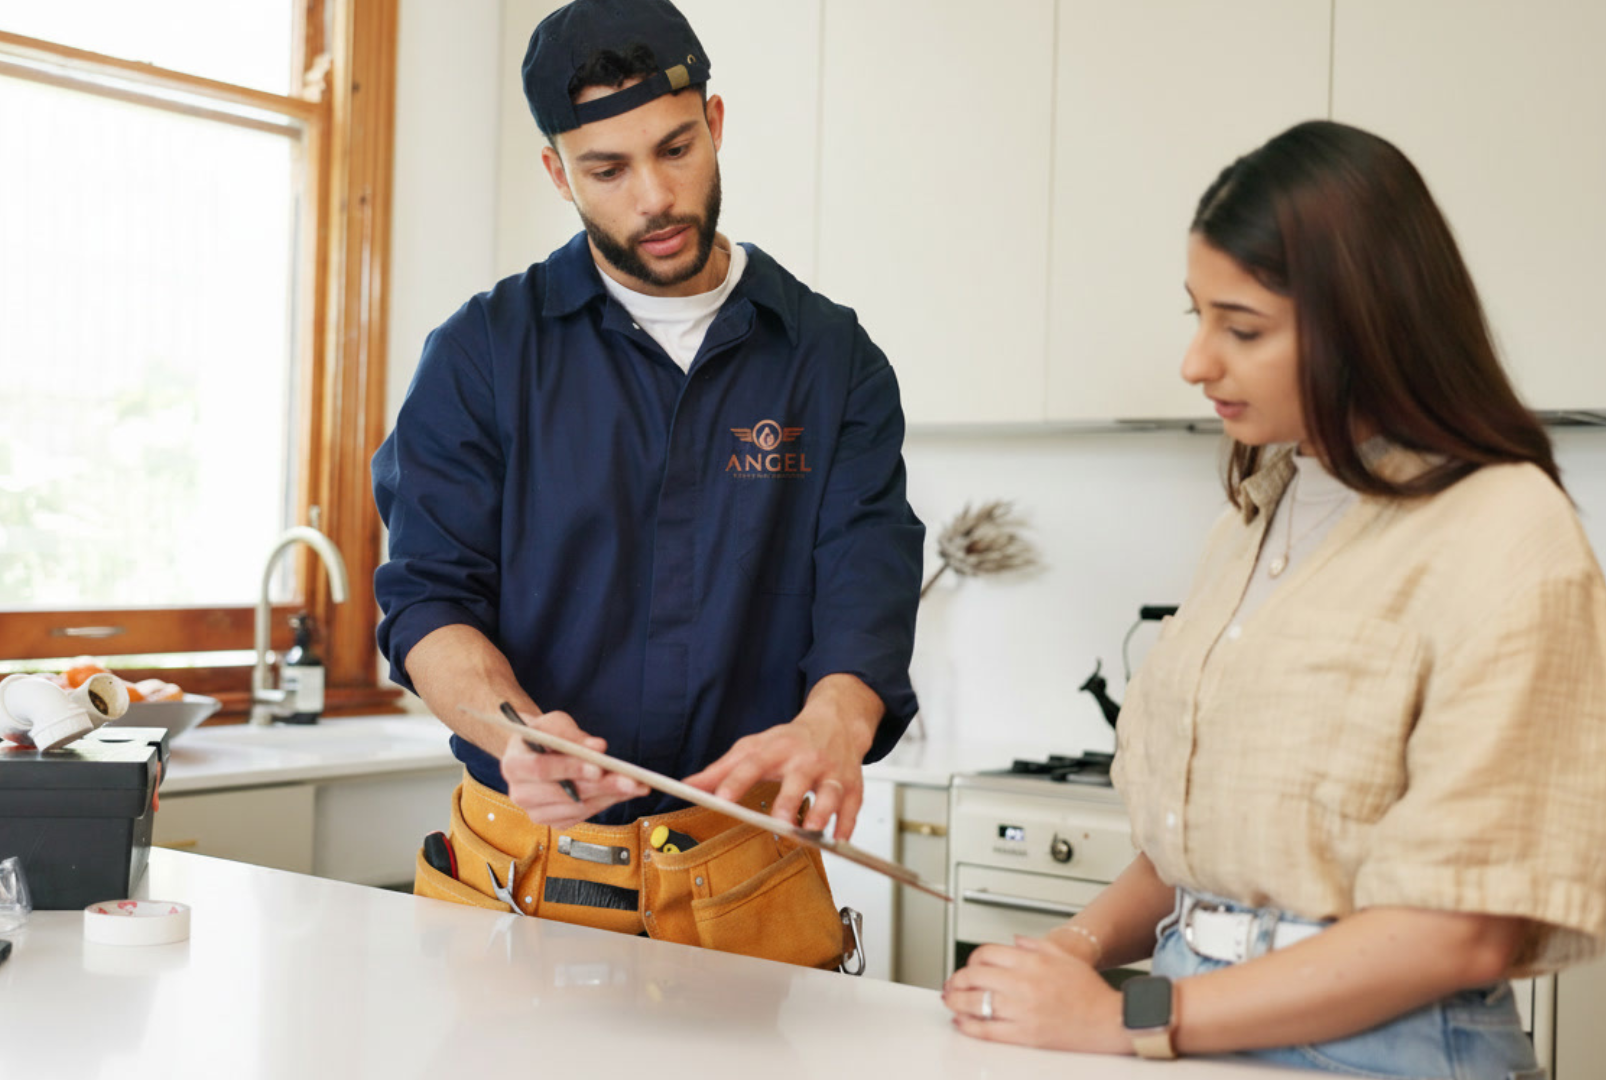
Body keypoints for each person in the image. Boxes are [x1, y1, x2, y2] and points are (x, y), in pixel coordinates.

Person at [944, 119, 1606, 1076]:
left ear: (1365, 323)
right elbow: (1205, 859)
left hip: (1392, 1049)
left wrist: (1127, 1018)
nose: (1196, 362)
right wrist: (1066, 953)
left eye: (1242, 328)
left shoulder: (1507, 532)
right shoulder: (1257, 517)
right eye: (1197, 316)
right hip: (1192, 1014)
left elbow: (1460, 935)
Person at [372, 0, 922, 970]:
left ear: (715, 123)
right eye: (608, 169)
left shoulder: (832, 359)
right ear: (558, 173)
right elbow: (427, 601)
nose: (654, 198)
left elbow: (865, 579)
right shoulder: (482, 354)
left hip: (749, 883)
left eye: (675, 149)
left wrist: (838, 719)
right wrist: (516, 733)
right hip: (517, 881)